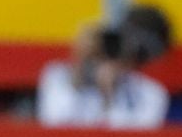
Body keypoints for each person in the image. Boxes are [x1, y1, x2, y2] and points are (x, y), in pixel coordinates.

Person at [36, 7, 173, 129]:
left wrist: (109, 97)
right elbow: (53, 123)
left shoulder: (151, 93)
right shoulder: (57, 75)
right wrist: (79, 71)